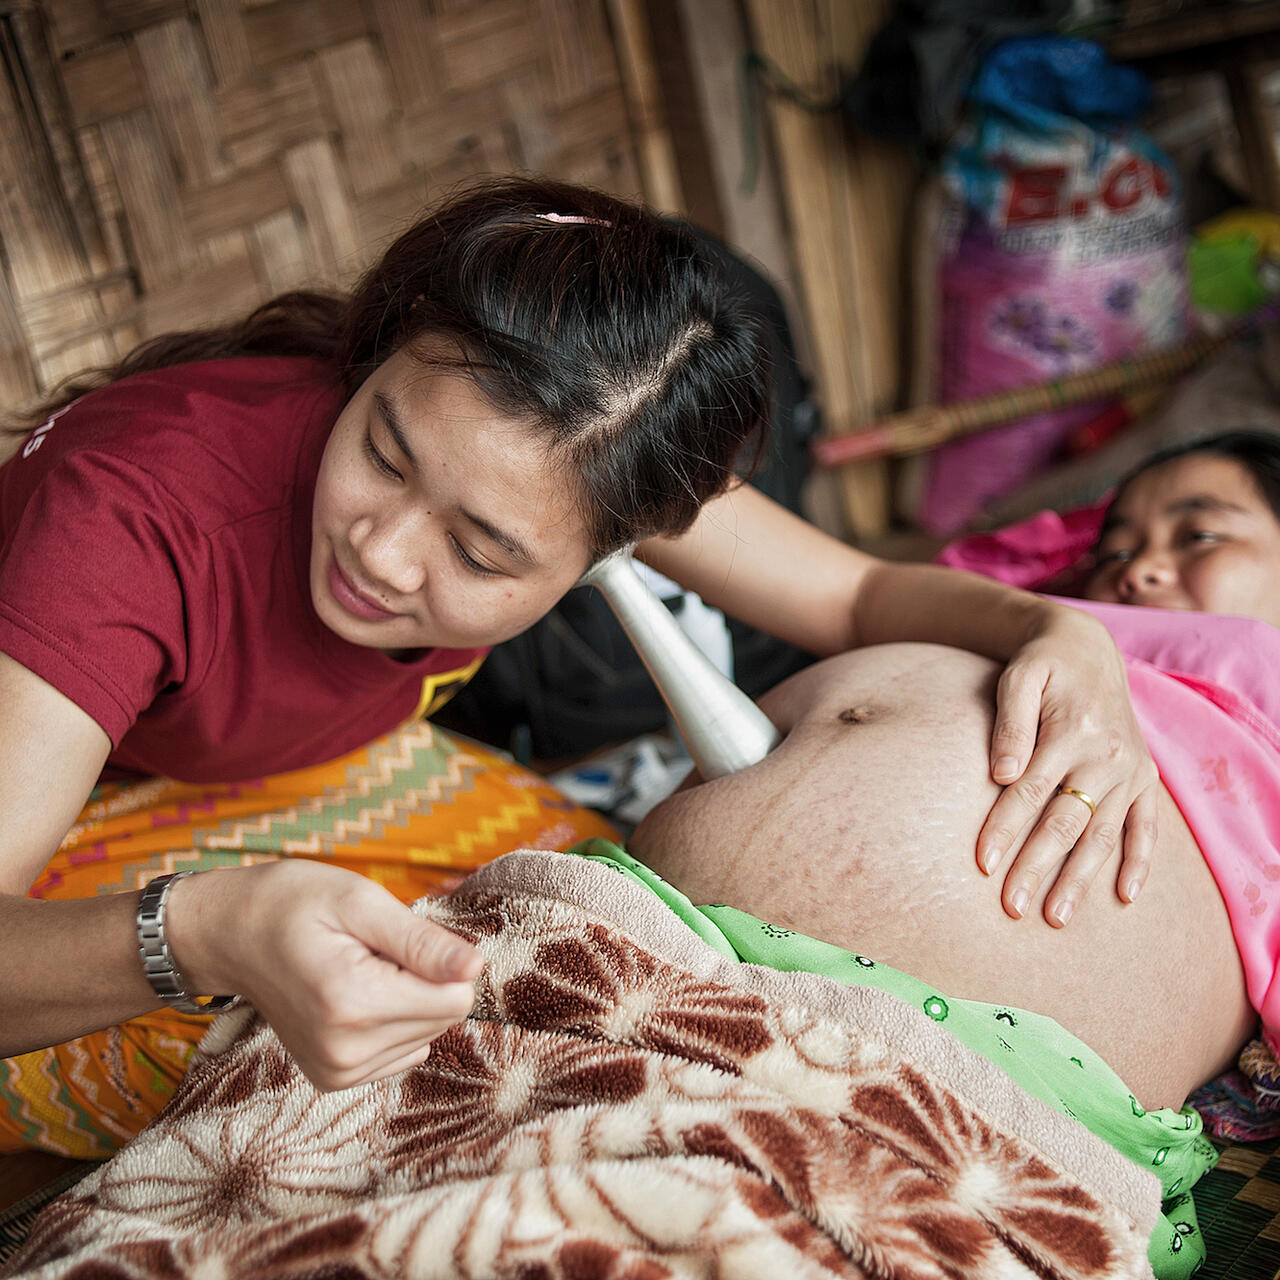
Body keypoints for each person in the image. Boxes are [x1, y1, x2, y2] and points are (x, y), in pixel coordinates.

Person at [0, 176, 1156, 1116]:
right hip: (67, 811)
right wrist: (204, 930)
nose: (384, 554)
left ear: (616, 546)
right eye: (384, 453)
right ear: (386, 346)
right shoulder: (128, 524)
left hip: (255, 768)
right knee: (260, 1074)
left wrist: (1057, 633)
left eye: (479, 551)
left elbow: (854, 597)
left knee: (580, 942)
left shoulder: (582, 452)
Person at [621, 429, 1280, 1276]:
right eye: (1115, 548)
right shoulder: (1022, 619)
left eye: (1200, 534)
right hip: (655, 940)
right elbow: (846, 587)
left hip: (978, 1085)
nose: (1142, 568)